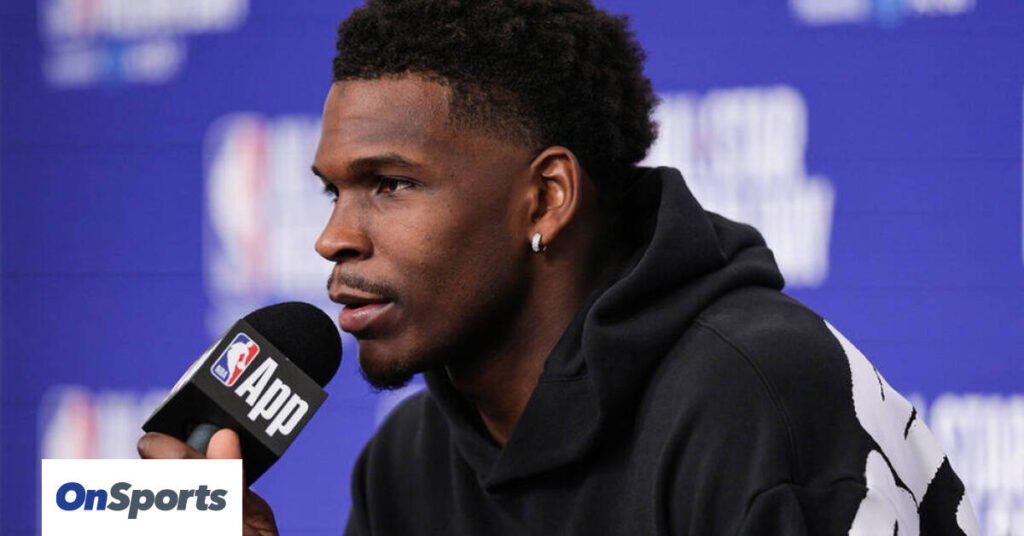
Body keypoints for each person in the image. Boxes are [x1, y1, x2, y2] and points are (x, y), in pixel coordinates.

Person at [139, 1, 979, 534]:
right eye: (334, 192)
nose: (333, 238)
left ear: (545, 199)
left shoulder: (753, 397)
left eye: (389, 185)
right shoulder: (410, 459)